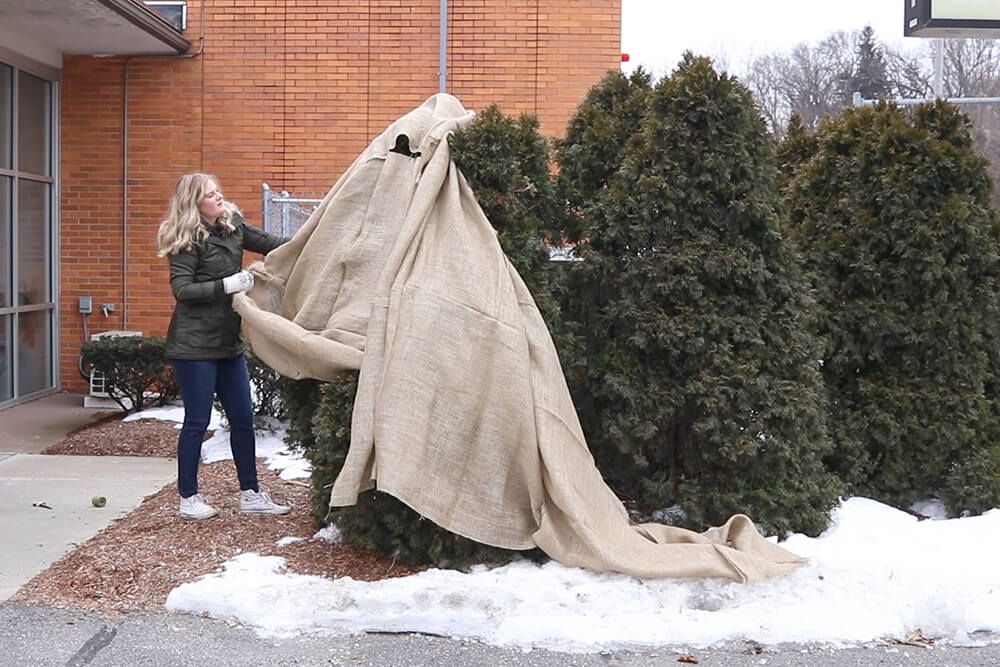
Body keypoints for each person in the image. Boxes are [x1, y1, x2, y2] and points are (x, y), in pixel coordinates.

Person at [157, 173, 291, 520]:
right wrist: (227, 284)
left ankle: (251, 493)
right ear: (194, 204)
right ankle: (188, 497)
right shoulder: (185, 239)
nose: (219, 198)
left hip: (228, 343)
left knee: (243, 419)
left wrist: (316, 237)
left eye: (219, 191)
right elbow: (183, 291)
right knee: (197, 422)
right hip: (193, 346)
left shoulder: (233, 226)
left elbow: (276, 243)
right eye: (210, 195)